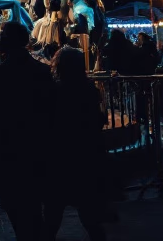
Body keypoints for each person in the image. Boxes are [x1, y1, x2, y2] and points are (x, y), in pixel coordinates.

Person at [0, 21, 56, 241]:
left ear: (8, 41)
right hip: (37, 148)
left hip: (8, 150)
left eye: (1, 35)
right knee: (32, 205)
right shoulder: (41, 70)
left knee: (15, 205)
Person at [43, 45, 107, 240]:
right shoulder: (89, 89)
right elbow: (97, 120)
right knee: (88, 211)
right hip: (84, 154)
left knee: (53, 211)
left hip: (59, 155)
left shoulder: (54, 90)